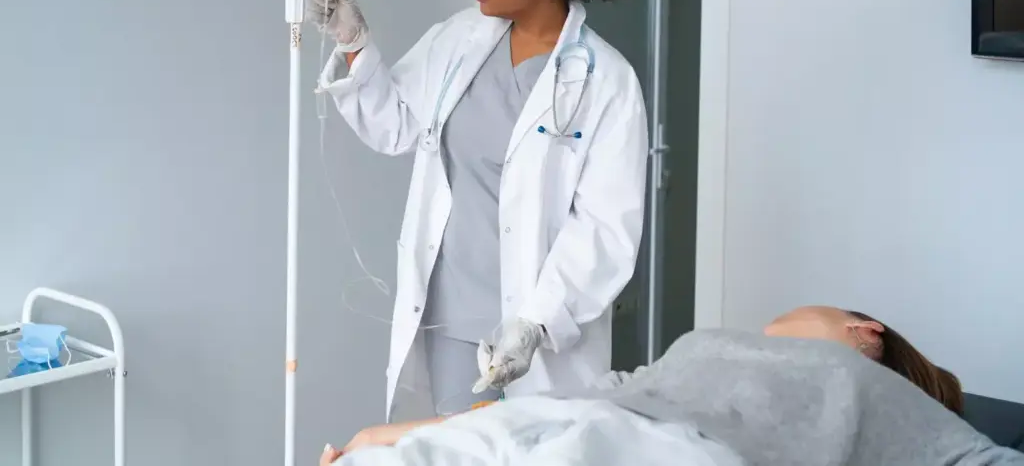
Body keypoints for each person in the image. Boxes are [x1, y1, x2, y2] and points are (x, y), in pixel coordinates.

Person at [314, 0, 656, 421]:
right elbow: (395, 126)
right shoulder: (458, 41)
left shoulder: (608, 84)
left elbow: (604, 230)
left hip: (537, 337)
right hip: (450, 319)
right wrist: (352, 40)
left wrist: (535, 321)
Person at [320, 306, 1021, 465]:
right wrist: (391, 435)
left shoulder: (865, 381)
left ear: (864, 329)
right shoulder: (699, 347)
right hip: (572, 427)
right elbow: (569, 404)